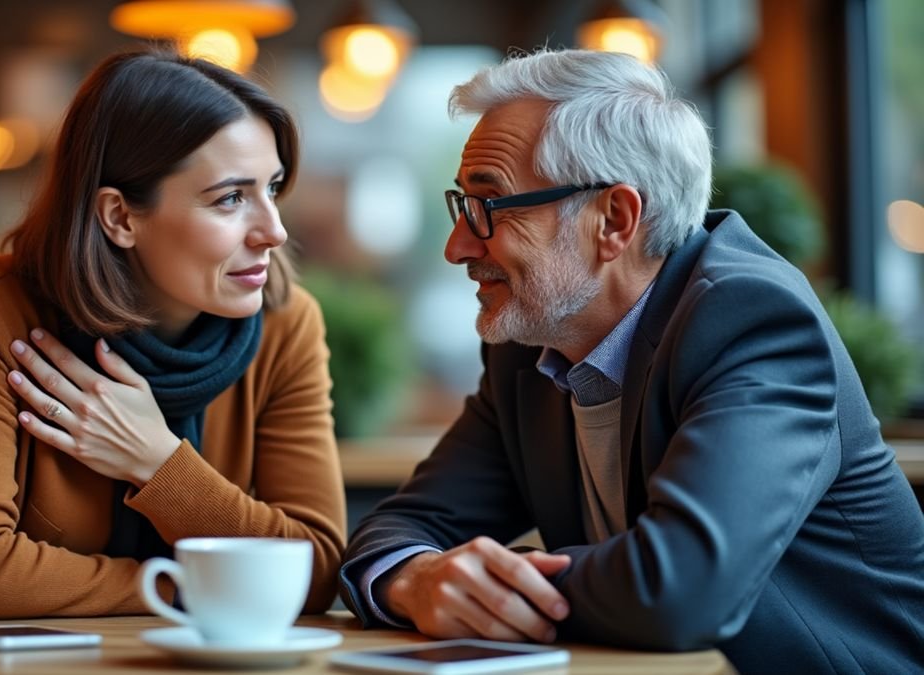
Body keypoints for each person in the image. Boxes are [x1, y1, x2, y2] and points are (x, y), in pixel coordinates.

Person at [339, 48, 924, 673]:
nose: (458, 246)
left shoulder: (752, 322)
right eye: (462, 206)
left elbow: (681, 589)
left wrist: (479, 593)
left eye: (489, 207)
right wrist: (417, 578)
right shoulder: (530, 352)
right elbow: (403, 527)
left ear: (614, 219)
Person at [0, 49, 346, 619]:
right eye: (231, 198)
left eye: (274, 187)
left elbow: (314, 572)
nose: (275, 230)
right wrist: (201, 587)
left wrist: (158, 462)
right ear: (119, 217)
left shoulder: (287, 323)